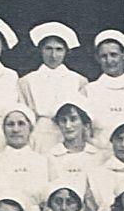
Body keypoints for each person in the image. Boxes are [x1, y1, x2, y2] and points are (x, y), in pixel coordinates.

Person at [19, 22, 84, 154]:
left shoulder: (78, 80)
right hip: (39, 136)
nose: (53, 55)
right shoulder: (27, 81)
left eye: (59, 49)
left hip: (67, 134)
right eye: (48, 49)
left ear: (66, 51)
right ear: (40, 50)